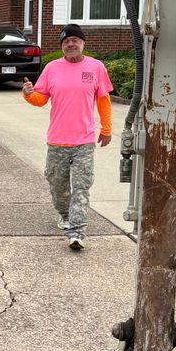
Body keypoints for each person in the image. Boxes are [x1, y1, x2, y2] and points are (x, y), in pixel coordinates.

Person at [22, 23, 112, 251]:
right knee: (57, 185)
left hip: (84, 141)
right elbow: (41, 99)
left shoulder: (96, 67)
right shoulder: (52, 68)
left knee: (81, 187)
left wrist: (106, 129)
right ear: (62, 46)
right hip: (57, 140)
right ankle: (64, 214)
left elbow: (103, 100)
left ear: (83, 44)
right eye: (66, 42)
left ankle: (77, 232)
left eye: (75, 40)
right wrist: (28, 95)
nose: (71, 44)